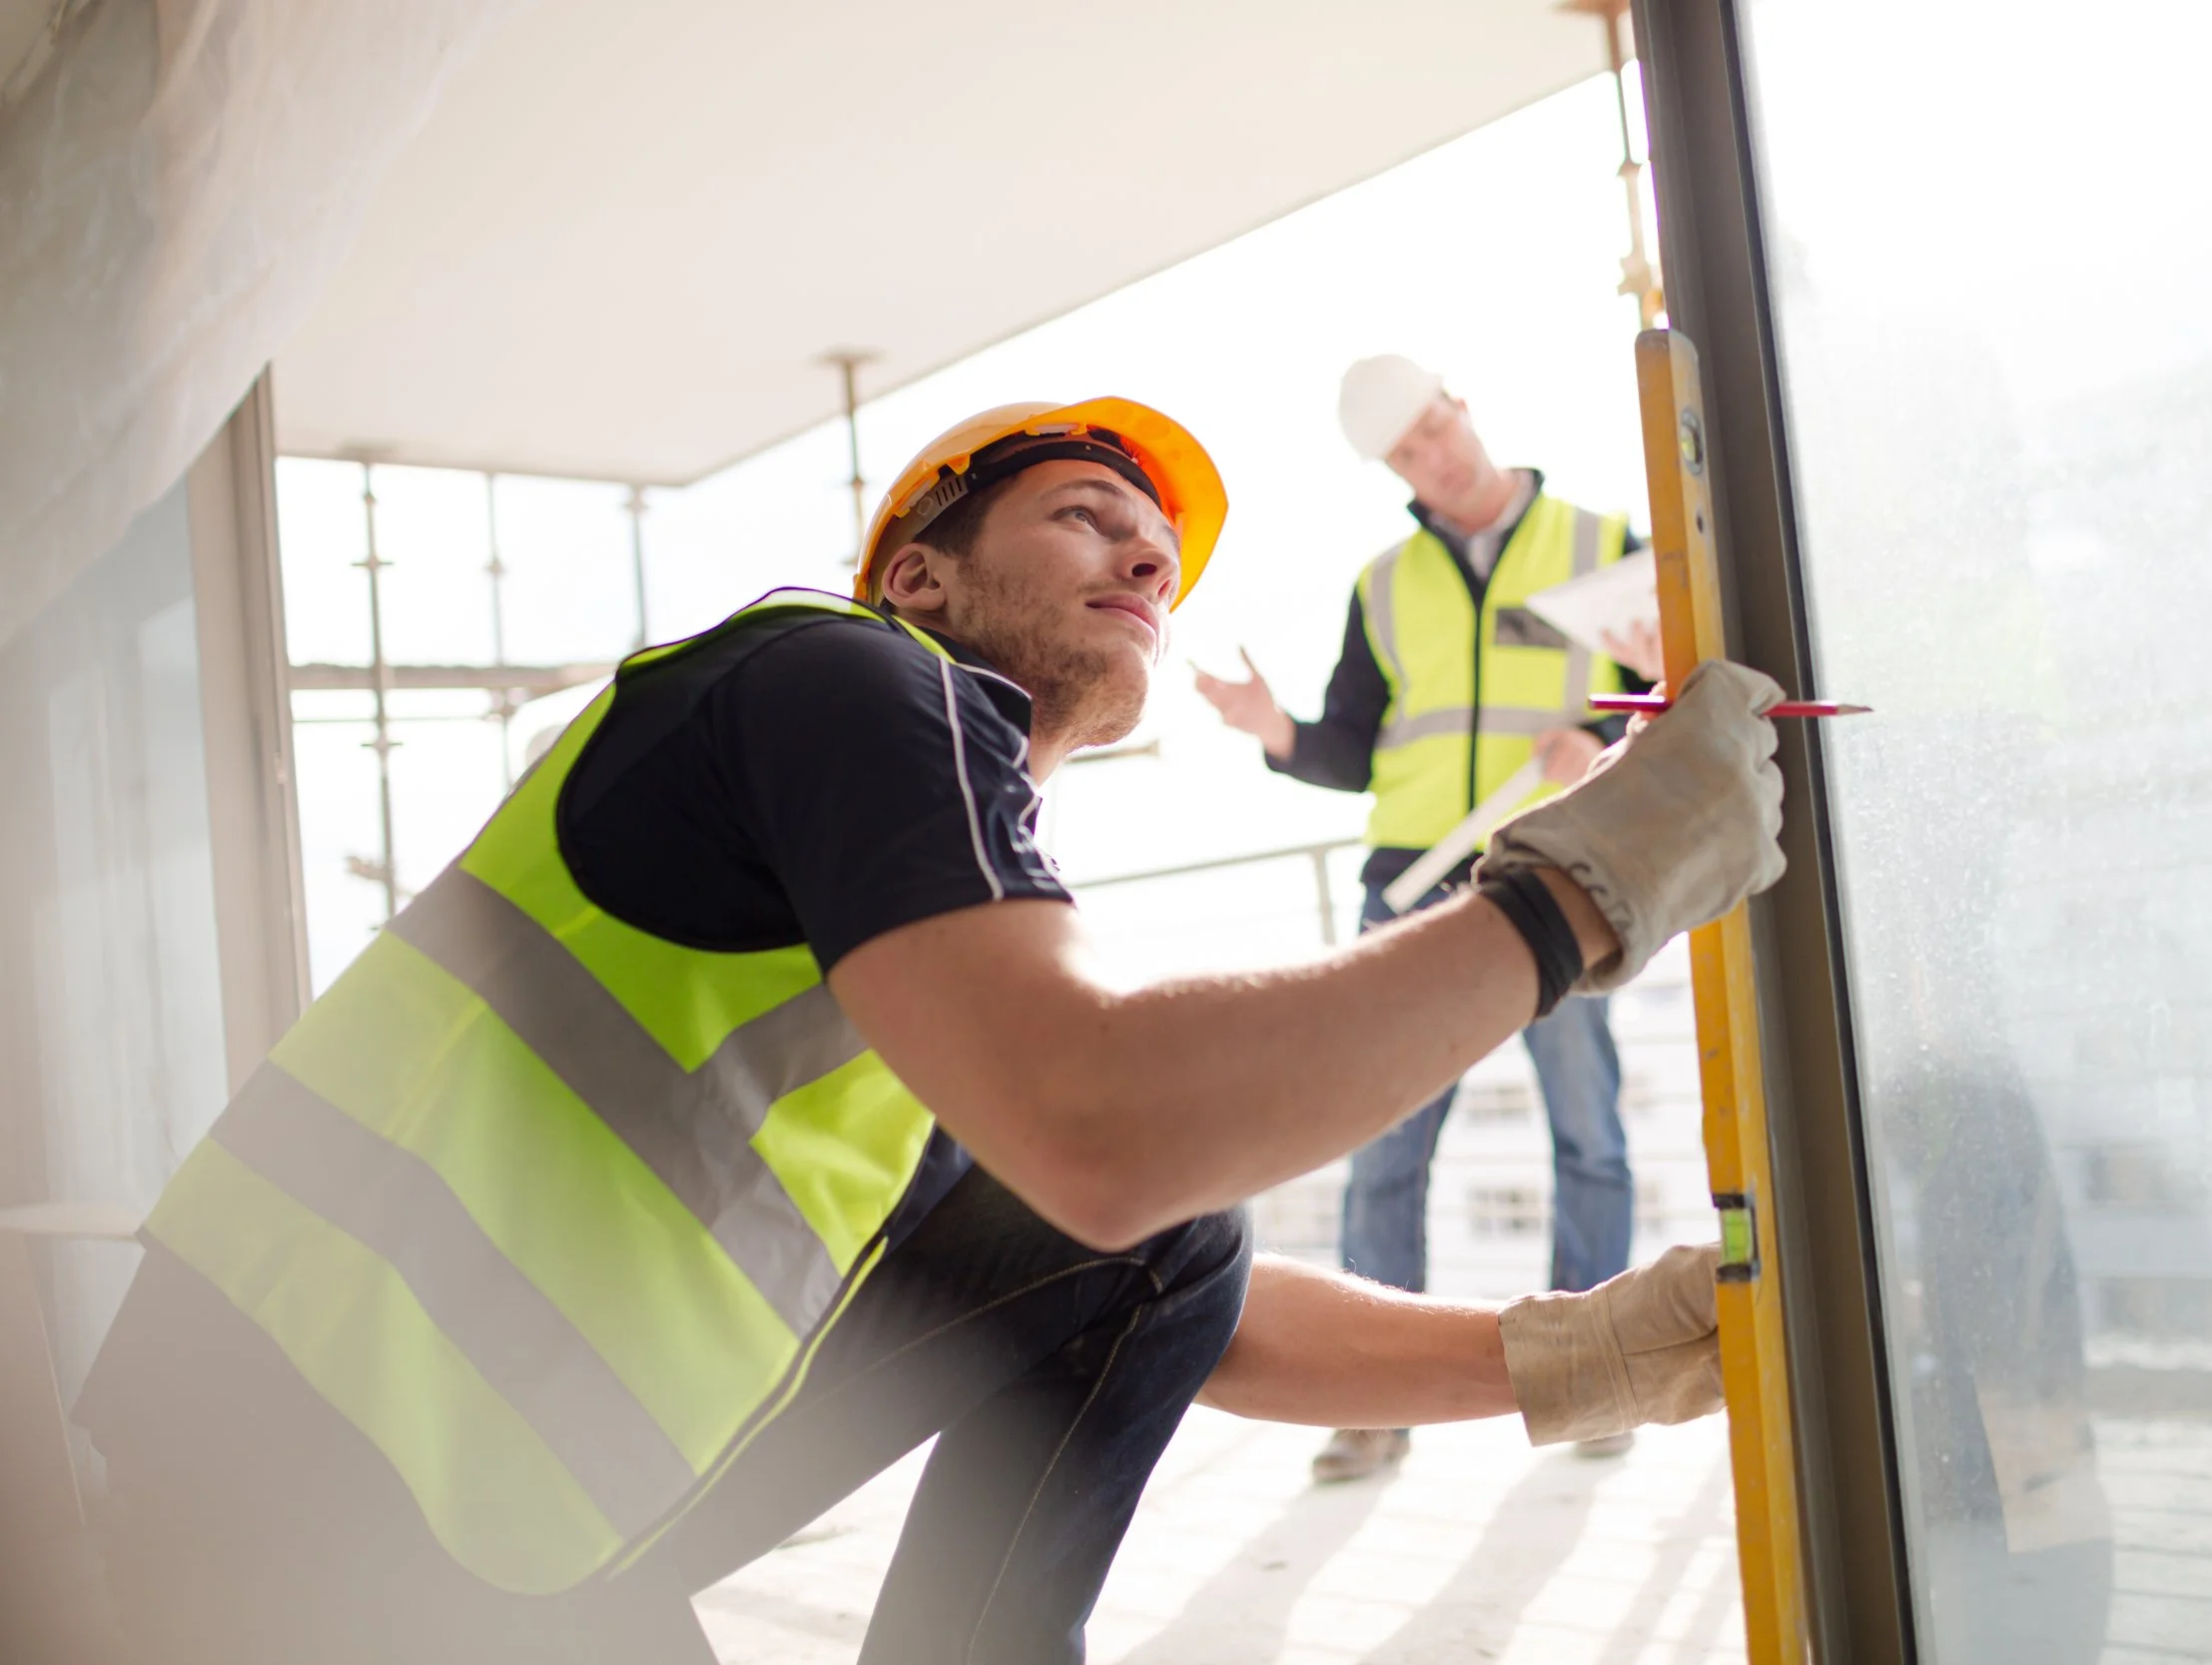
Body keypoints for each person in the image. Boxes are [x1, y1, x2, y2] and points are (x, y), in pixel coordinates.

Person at [75, 399, 1787, 1665]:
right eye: (1087, 514)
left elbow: (1152, 1284)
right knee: (1148, 1190)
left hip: (471, 1510)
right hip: (310, 1472)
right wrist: (1576, 894)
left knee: (1155, 1234)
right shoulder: (845, 676)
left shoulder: (925, 948)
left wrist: (1565, 1353)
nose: (1143, 556)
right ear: (923, 575)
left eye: (1164, 559)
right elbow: (1108, 1131)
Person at [1195, 357, 1659, 1481]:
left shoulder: (1605, 545)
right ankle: (1373, 1404)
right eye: (1407, 452)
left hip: (1554, 867)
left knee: (1585, 1130)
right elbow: (1355, 750)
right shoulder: (1385, 583)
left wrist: (1592, 747)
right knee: (1385, 1145)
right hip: (1411, 881)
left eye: (1438, 427)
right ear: (1388, 469)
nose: (1435, 457)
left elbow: (1670, 686)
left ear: (1464, 405)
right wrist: (1277, 731)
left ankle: (1589, 1379)